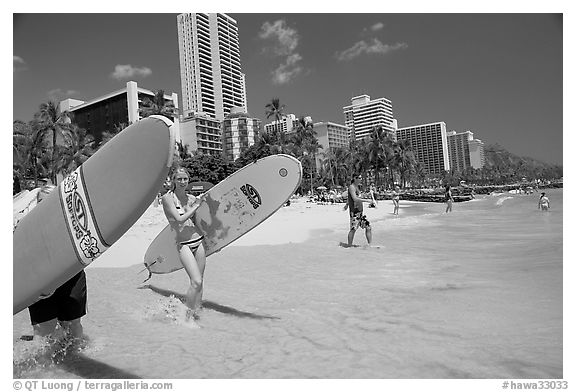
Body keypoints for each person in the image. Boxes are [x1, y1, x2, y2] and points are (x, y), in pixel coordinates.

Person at [27, 184, 86, 341]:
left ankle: (78, 360)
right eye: (41, 202)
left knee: (72, 324)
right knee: (42, 329)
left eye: (50, 202)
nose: (45, 207)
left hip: (71, 277)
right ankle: (42, 365)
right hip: (41, 281)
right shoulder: (27, 226)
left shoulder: (74, 224)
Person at [161, 167, 207, 320]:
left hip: (199, 242)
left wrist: (215, 242)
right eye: (179, 179)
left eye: (185, 179)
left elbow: (199, 223)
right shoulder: (168, 198)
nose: (182, 182)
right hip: (184, 244)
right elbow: (179, 220)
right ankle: (186, 315)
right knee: (196, 281)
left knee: (200, 283)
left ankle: (196, 313)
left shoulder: (192, 198)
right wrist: (196, 206)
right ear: (173, 180)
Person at [347, 175, 374, 247]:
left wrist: (368, 194)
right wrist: (367, 201)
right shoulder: (351, 187)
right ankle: (349, 245)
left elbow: (357, 197)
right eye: (359, 178)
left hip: (360, 212)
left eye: (361, 178)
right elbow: (355, 199)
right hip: (355, 213)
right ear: (354, 179)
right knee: (353, 229)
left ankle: (370, 245)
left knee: (368, 227)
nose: (361, 179)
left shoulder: (357, 187)